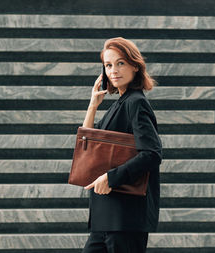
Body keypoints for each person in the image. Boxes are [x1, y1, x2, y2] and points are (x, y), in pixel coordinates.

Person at [81, 37, 162, 253]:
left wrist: (110, 177)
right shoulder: (119, 105)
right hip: (107, 217)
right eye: (108, 65)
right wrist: (92, 106)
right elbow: (86, 147)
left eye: (120, 63)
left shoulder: (136, 102)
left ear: (135, 66)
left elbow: (152, 153)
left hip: (125, 218)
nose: (113, 70)